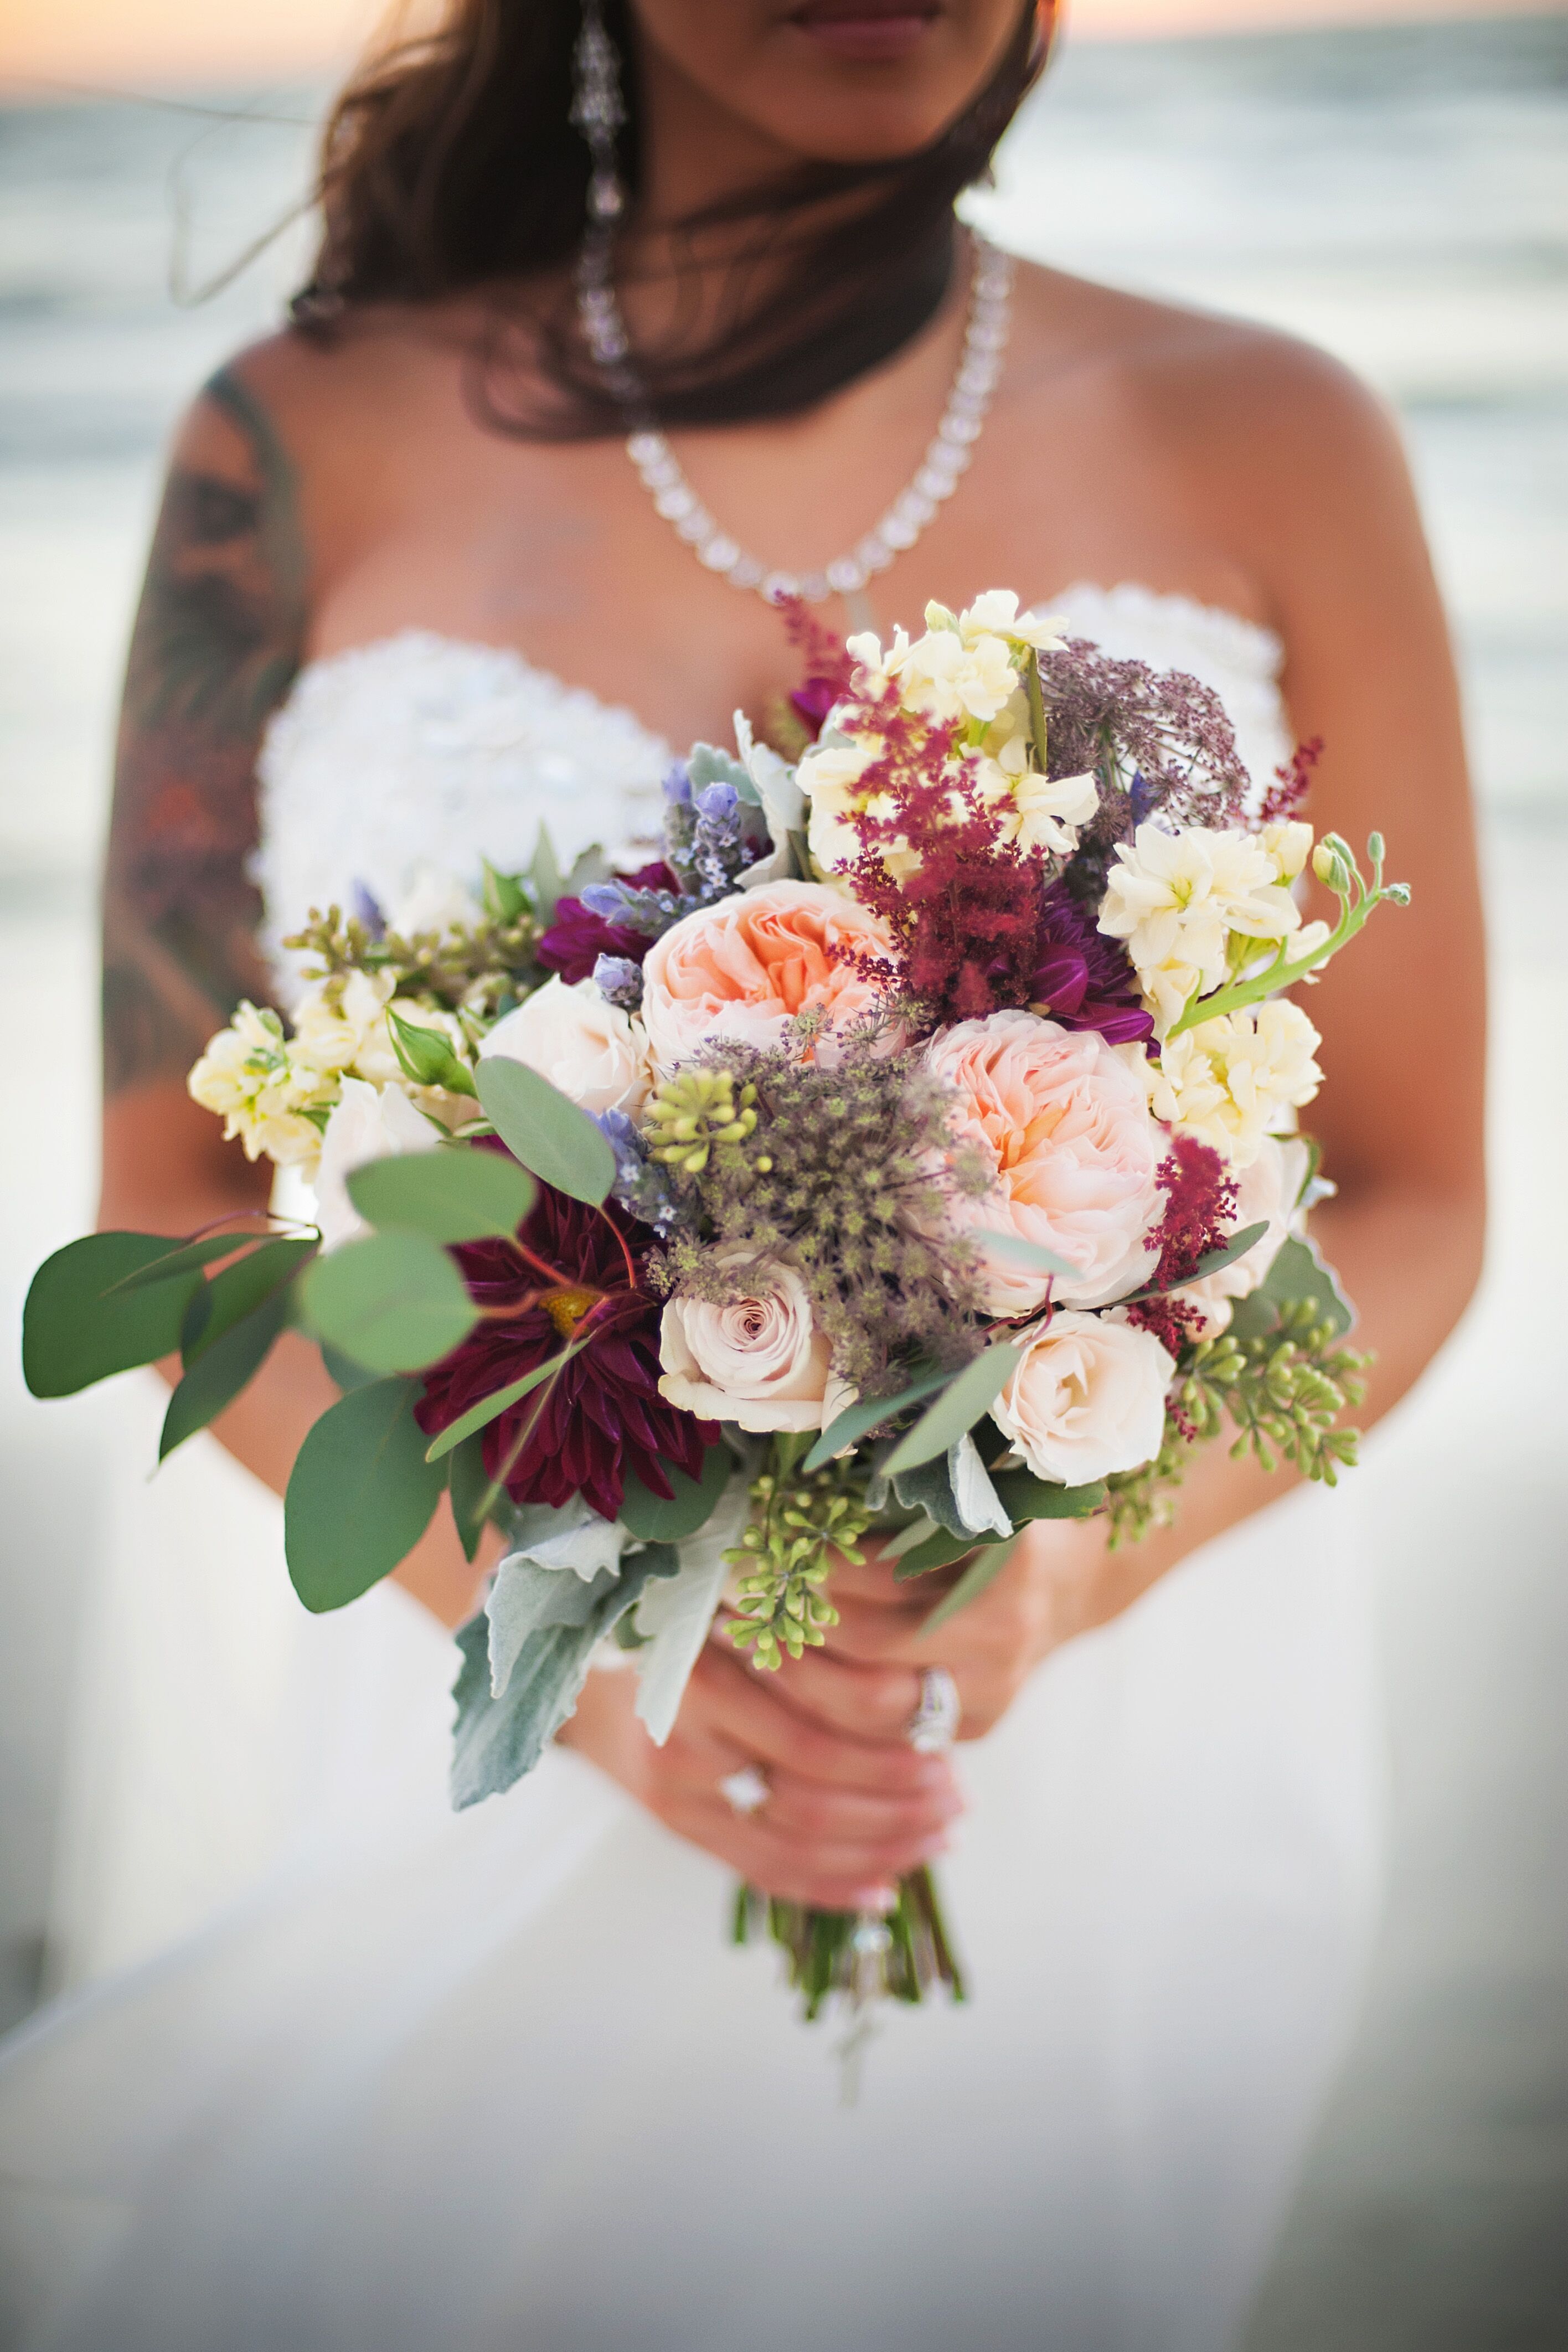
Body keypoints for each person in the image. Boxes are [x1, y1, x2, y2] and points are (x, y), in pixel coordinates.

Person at [0, 4, 1484, 2347]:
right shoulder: (278, 452)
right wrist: (580, 1671)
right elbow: (175, 1193)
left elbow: (1419, 1185)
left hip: (1084, 1736)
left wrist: (1070, 1575)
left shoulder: (1274, 431)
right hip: (485, 1700)